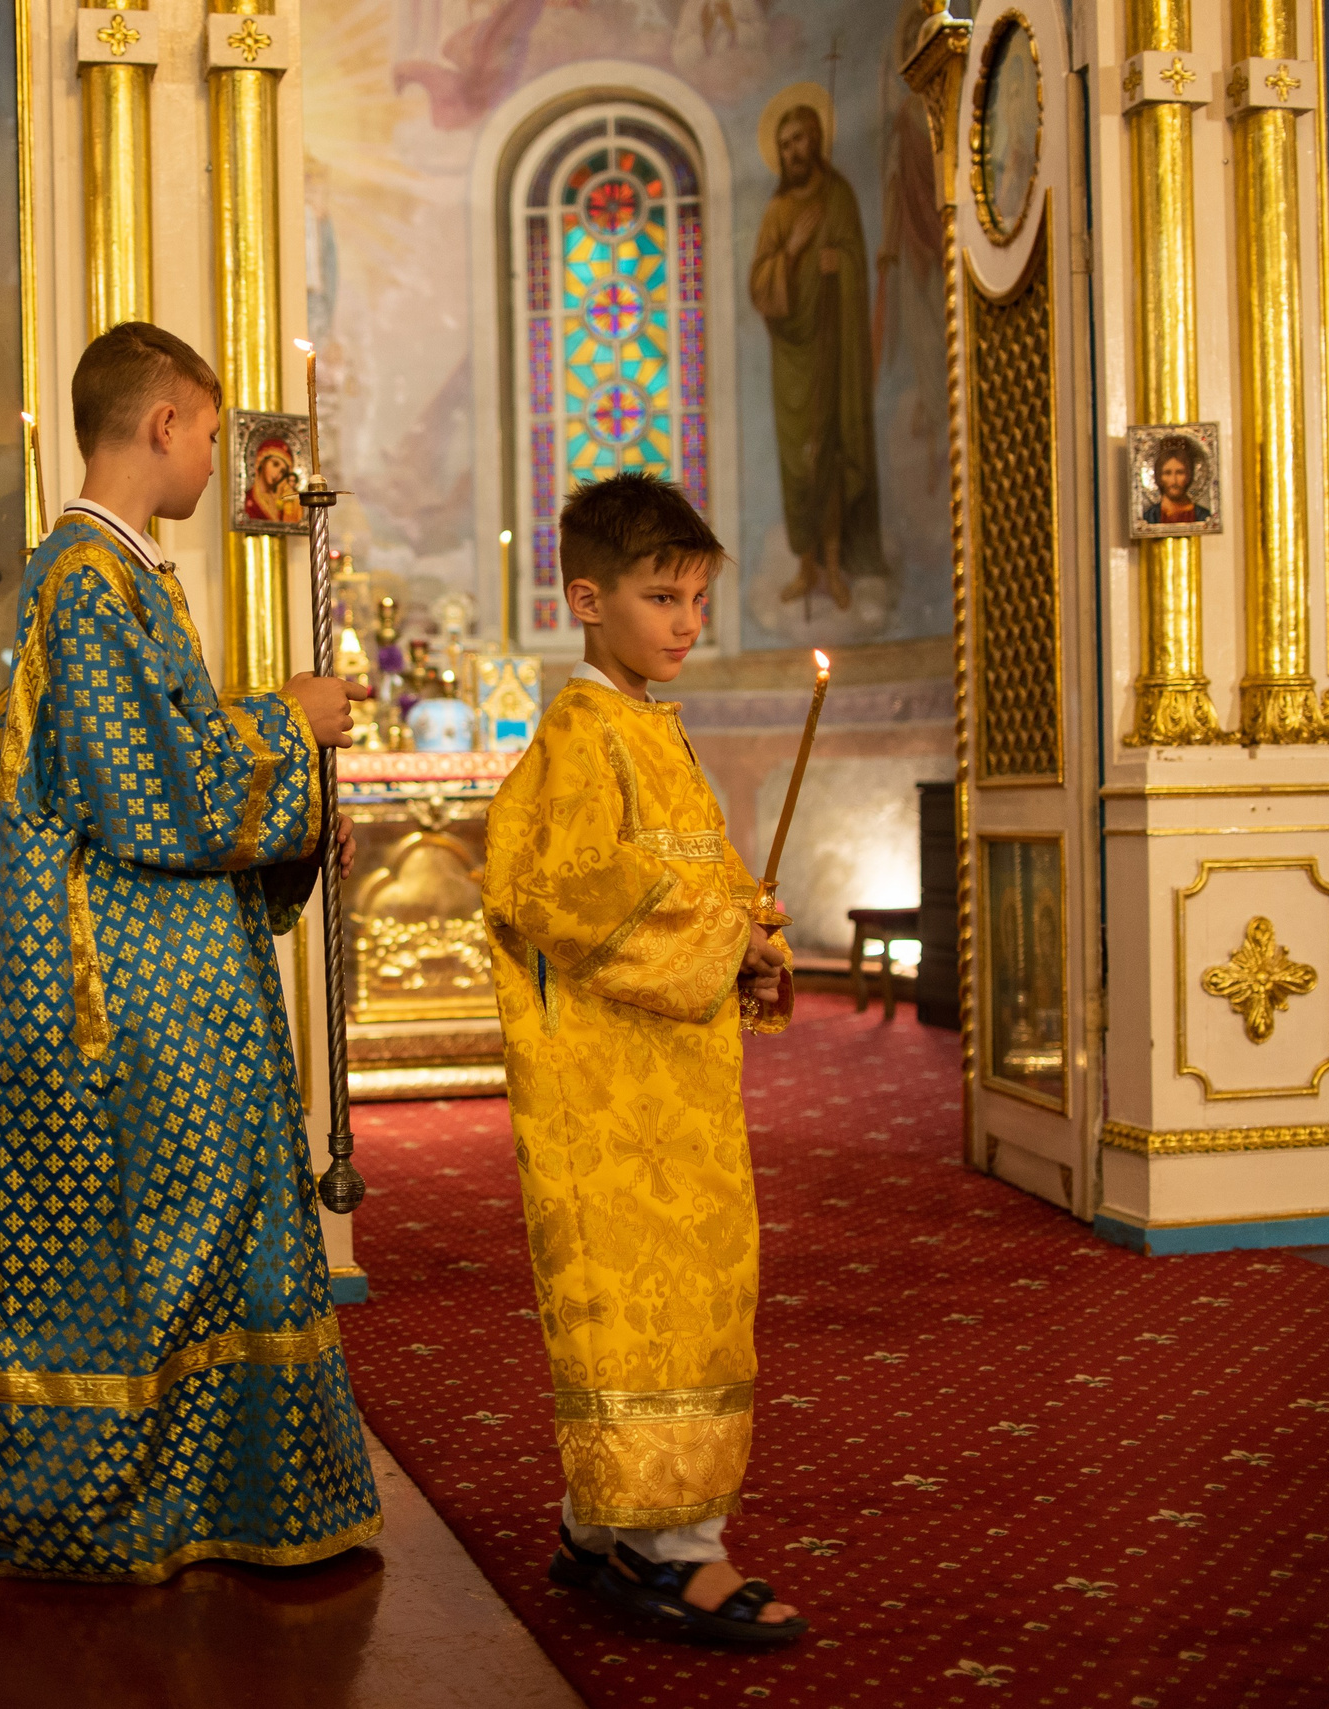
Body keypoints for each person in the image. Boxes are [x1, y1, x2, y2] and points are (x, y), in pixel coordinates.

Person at [0, 322, 380, 1580]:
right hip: (127, 990)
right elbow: (149, 790)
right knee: (158, 1245)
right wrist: (289, 719)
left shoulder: (122, 576)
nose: (217, 456)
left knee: (205, 1235)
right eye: (211, 431)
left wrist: (290, 788)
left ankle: (222, 1489)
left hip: (172, 972)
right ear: (165, 420)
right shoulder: (86, 580)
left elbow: (160, 756)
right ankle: (115, 1499)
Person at [479, 471, 804, 1646]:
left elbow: (696, 883)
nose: (686, 622)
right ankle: (674, 1551)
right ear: (587, 599)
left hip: (674, 1083)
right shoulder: (580, 735)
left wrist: (753, 942)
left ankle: (596, 1521)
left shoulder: (649, 727)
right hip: (608, 1094)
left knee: (686, 1297)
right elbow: (559, 889)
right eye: (662, 597)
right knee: (639, 1308)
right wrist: (722, 936)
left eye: (697, 600)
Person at [750, 102, 885, 613]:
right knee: (799, 465)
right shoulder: (777, 213)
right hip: (792, 358)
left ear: (816, 141)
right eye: (785, 145)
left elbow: (858, 265)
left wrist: (839, 263)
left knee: (831, 455)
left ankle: (832, 564)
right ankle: (806, 567)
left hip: (834, 350)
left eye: (800, 139)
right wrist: (792, 252)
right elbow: (760, 287)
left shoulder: (838, 197)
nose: (793, 152)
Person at [1140, 440, 1212, 528]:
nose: (1174, 481)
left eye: (1180, 472)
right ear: (1159, 477)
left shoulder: (1204, 517)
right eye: (1167, 473)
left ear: (1189, 475)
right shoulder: (1148, 518)